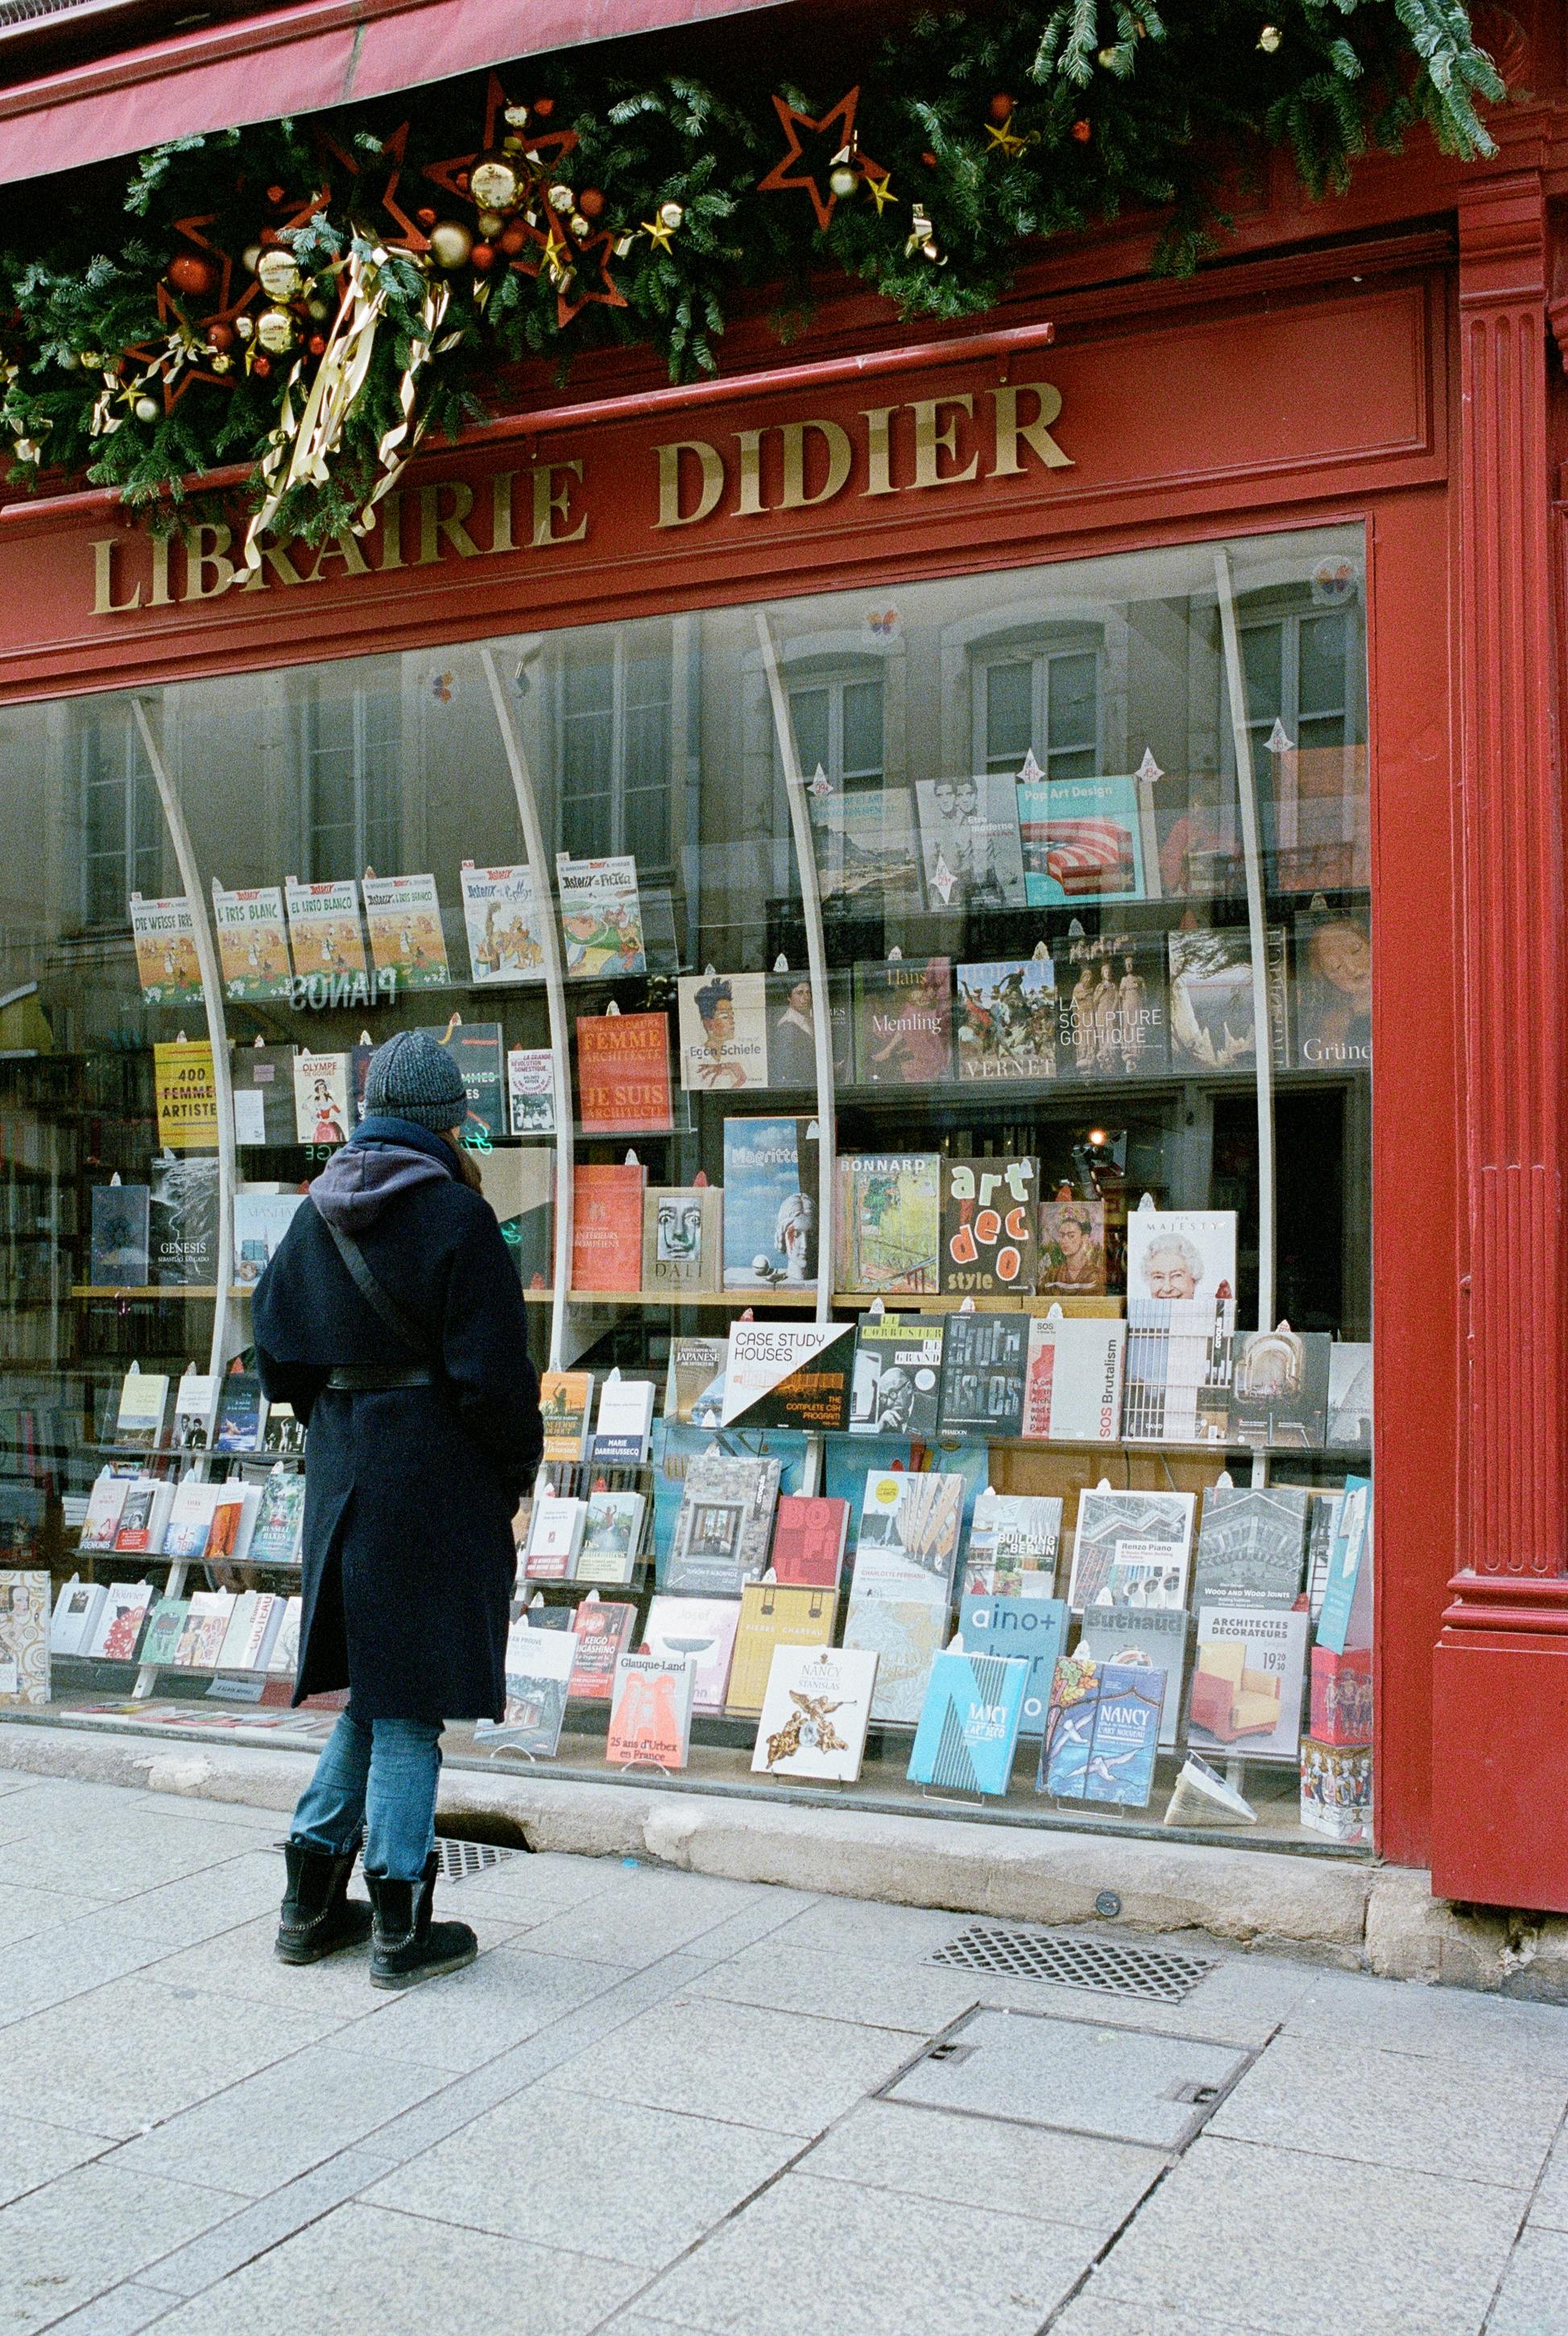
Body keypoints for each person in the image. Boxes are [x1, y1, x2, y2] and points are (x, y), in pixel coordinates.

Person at [254, 1029, 543, 1990]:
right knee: (411, 1703)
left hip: (343, 1482)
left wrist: (345, 1411)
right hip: (431, 1487)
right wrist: (510, 1477)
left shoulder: (314, 1213)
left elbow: (277, 1354)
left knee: (376, 1692)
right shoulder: (458, 1219)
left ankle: (304, 1904)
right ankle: (396, 1923)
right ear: (449, 1120)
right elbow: (498, 1383)